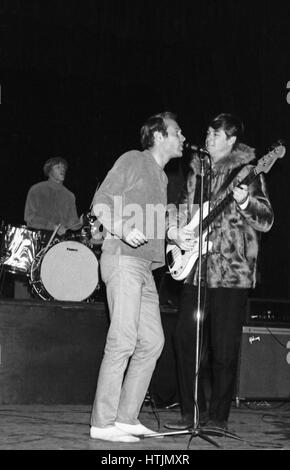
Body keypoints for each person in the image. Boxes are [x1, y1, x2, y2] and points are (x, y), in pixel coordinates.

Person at [165, 113, 274, 431]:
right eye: (208, 131)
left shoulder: (248, 172)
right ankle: (190, 412)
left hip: (232, 272)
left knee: (224, 348)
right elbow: (183, 207)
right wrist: (177, 230)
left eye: (216, 132)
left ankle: (218, 418)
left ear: (231, 139)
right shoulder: (196, 172)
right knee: (185, 338)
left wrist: (245, 203)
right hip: (196, 269)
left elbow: (266, 219)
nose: (209, 136)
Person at [89, 111, 185, 442]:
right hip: (123, 260)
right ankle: (102, 423)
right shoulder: (133, 159)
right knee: (123, 340)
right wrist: (121, 227)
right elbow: (100, 203)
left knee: (153, 342)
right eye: (177, 132)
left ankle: (126, 417)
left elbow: (153, 223)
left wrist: (175, 235)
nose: (183, 138)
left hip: (143, 268)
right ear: (159, 135)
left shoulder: (160, 177)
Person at [24, 156, 83, 239]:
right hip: (38, 239)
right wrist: (53, 226)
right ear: (49, 171)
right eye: (58, 167)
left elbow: (71, 224)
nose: (62, 169)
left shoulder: (70, 196)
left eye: (63, 167)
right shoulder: (36, 189)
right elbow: (29, 219)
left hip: (59, 242)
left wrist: (80, 223)